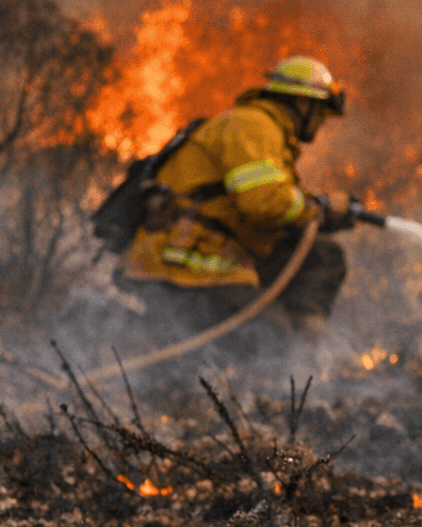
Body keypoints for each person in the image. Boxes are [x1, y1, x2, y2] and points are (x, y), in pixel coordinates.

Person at [114, 55, 357, 345]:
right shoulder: (254, 126)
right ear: (302, 103)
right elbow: (262, 202)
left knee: (322, 256)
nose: (321, 122)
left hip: (212, 258)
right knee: (268, 339)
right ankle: (127, 339)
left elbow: (270, 201)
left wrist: (321, 211)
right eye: (320, 112)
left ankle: (299, 358)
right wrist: (320, 208)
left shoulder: (265, 131)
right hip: (186, 261)